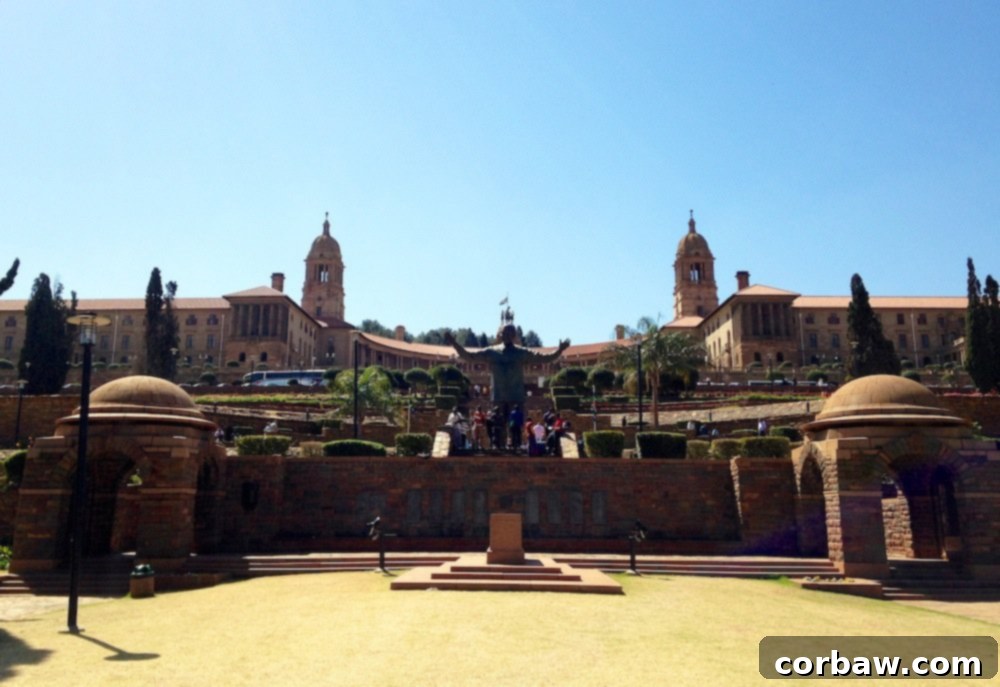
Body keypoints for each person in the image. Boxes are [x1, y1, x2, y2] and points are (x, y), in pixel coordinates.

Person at [445, 325, 570, 409]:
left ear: (514, 336)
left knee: (515, 429)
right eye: (504, 332)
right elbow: (469, 356)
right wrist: (455, 344)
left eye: (510, 333)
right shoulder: (492, 351)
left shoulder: (522, 352)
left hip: (516, 397)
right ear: (500, 334)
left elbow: (544, 358)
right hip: (498, 397)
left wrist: (559, 351)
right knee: (498, 428)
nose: (507, 335)